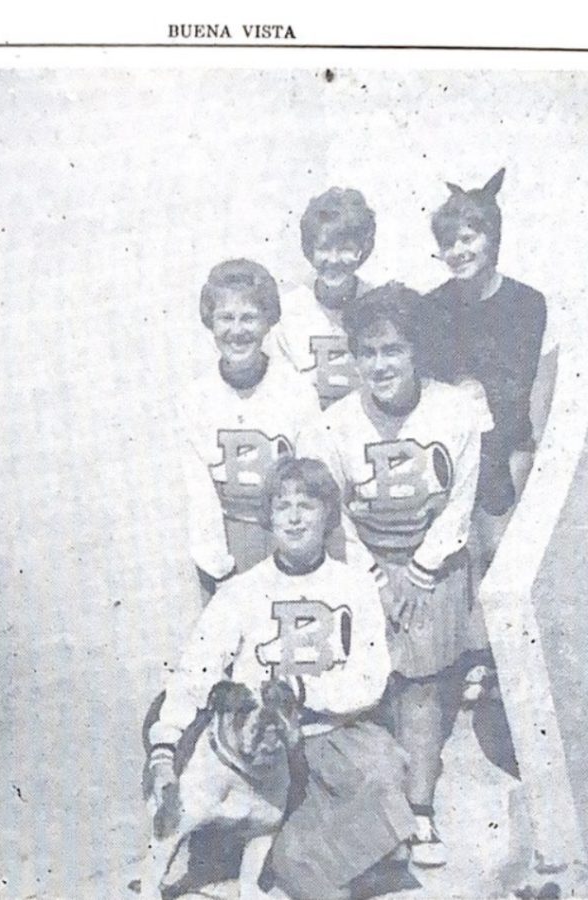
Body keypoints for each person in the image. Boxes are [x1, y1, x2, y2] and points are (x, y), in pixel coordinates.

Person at [148, 457, 415, 898]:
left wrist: (304, 691)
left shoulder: (355, 586)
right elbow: (196, 670)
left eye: (307, 505)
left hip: (328, 734)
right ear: (268, 518)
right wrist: (164, 745)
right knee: (308, 876)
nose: (294, 518)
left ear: (329, 514)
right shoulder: (241, 591)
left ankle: (350, 850)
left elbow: (371, 678)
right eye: (282, 506)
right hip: (264, 749)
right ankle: (312, 859)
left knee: (383, 765)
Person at [298, 282, 493, 869]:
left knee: (423, 687)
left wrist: (420, 571)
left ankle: (421, 808)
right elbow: (332, 513)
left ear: (416, 352)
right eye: (368, 353)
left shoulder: (453, 409)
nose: (380, 365)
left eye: (393, 351)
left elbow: (461, 500)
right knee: (365, 687)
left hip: (433, 561)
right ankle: (372, 818)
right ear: (354, 358)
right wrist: (374, 581)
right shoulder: (333, 426)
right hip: (364, 562)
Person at [425, 168, 547, 572]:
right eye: (447, 243)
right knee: (454, 560)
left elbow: (515, 390)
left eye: (467, 238)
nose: (457, 250)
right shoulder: (431, 307)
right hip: (453, 448)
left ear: (492, 238)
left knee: (499, 558)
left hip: (504, 445)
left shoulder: (526, 303)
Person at [180, 258, 320, 601]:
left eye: (249, 317)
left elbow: (315, 482)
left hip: (287, 540)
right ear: (210, 322)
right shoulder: (195, 399)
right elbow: (200, 496)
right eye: (226, 318)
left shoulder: (296, 391)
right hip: (227, 546)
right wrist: (221, 569)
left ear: (269, 321)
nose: (237, 330)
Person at [273, 187, 376, 409]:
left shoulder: (378, 305)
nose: (334, 259)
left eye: (346, 249)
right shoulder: (287, 311)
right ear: (310, 250)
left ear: (363, 249)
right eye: (324, 248)